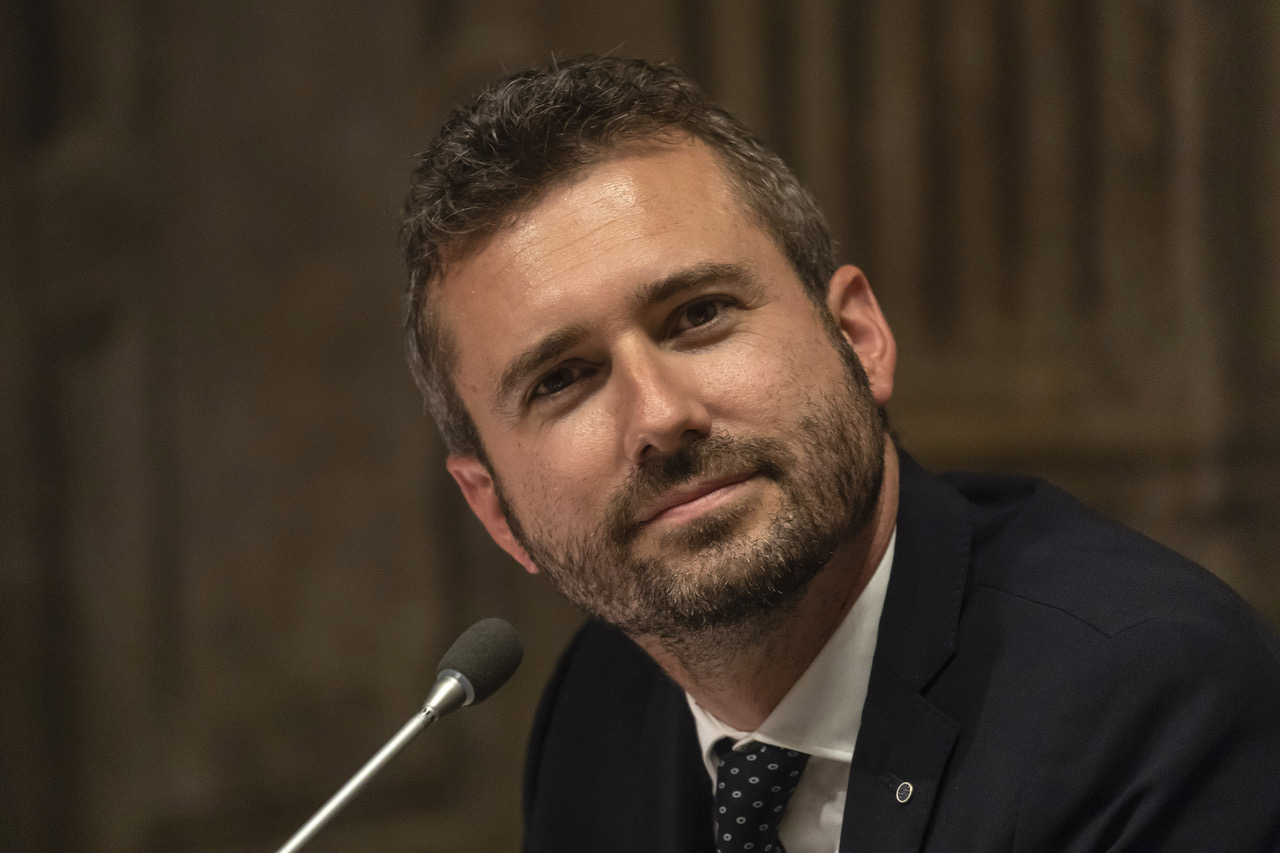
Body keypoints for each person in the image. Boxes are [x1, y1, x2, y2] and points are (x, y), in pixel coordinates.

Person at [399, 57, 1280, 852]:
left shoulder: (1145, 699)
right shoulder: (601, 706)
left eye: (699, 315)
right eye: (563, 379)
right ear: (494, 511)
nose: (660, 416)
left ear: (858, 337)